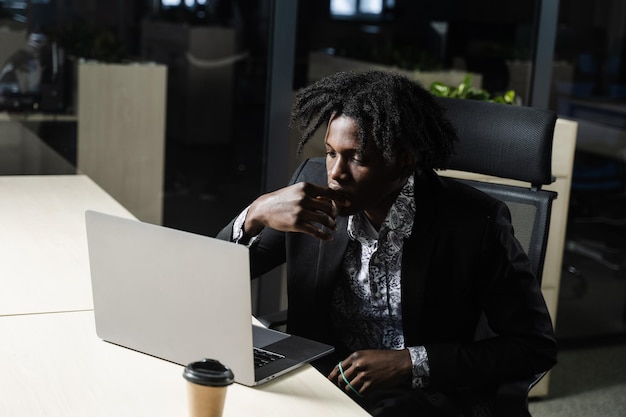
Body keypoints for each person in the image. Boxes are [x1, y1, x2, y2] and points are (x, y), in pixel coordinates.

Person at [217, 69, 557, 417]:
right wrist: (254, 215)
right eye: (332, 152)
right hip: (320, 383)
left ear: (405, 159)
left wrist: (411, 362)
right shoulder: (312, 188)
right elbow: (213, 278)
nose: (336, 172)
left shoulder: (475, 222)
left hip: (422, 396)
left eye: (357, 158)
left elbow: (534, 347)